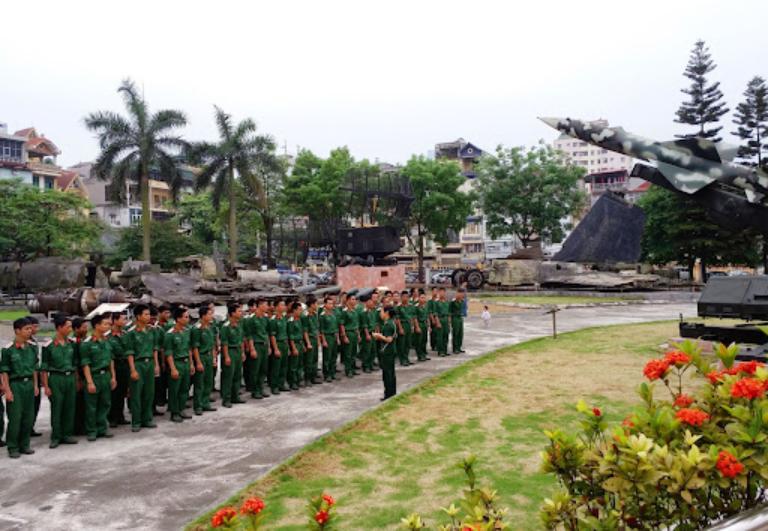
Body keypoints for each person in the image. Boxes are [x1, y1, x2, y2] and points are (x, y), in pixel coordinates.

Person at [1, 318, 39, 457]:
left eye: (30, 329)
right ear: (17, 330)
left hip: (29, 384)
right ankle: (13, 447)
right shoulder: (8, 350)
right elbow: (4, 371)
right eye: (27, 329)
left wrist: (35, 385)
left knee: (28, 417)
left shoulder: (32, 347)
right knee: (15, 418)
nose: (30, 331)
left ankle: (25, 445)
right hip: (15, 385)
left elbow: (35, 368)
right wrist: (7, 390)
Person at [40, 315, 79, 449]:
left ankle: (67, 435)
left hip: (70, 378)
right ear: (59, 328)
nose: (70, 329)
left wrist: (77, 380)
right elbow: (44, 367)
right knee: (57, 408)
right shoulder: (48, 345)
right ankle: (56, 436)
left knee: (70, 407)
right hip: (56, 378)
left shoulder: (72, 344)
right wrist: (46, 386)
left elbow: (75, 364)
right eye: (68, 326)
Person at [79, 313, 117, 441]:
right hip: (94, 376)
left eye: (109, 324)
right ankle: (92, 430)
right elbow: (85, 364)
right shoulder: (87, 343)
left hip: (105, 375)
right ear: (97, 325)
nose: (108, 326)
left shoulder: (106, 341)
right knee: (91, 406)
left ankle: (102, 428)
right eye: (105, 324)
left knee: (105, 403)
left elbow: (111, 360)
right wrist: (89, 382)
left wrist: (113, 377)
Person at [125, 304, 159, 432]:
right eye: (145, 314)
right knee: (136, 394)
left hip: (149, 363)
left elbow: (155, 349)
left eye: (149, 314)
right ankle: (136, 421)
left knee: (149, 393)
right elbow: (130, 353)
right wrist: (133, 369)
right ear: (138, 316)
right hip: (138, 364)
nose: (148, 317)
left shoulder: (152, 330)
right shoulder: (131, 333)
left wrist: (156, 365)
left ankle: (147, 418)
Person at [164, 307, 194, 423]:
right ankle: (174, 412)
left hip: (186, 362)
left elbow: (189, 349)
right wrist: (173, 368)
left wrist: (191, 364)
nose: (188, 319)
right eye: (185, 317)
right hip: (176, 363)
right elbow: (169, 353)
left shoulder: (187, 331)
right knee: (174, 389)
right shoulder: (170, 334)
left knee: (184, 388)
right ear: (178, 319)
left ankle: (181, 409)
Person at [191, 304, 218, 414]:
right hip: (201, 356)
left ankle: (205, 402)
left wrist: (214, 358)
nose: (212, 316)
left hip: (209, 356)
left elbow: (212, 345)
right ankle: (198, 406)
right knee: (199, 383)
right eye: (209, 314)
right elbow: (195, 347)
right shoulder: (196, 329)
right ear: (203, 316)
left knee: (208, 381)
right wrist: (198, 362)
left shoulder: (210, 327)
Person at [219, 302, 246, 407]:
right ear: (232, 313)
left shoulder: (238, 325)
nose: (241, 313)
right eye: (239, 311)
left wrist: (243, 352)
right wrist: (226, 356)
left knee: (237, 375)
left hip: (238, 351)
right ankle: (226, 399)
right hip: (229, 351)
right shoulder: (226, 326)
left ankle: (235, 396)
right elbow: (224, 343)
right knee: (228, 376)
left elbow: (241, 340)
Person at [108, 312, 131, 428]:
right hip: (114, 365)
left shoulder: (125, 334)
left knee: (122, 391)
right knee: (114, 393)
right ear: (115, 321)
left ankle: (120, 416)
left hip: (124, 365)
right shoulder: (108, 336)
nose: (125, 321)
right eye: (122, 319)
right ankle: (112, 418)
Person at [244, 299, 269, 399]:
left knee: (263, 369)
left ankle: (261, 388)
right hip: (256, 345)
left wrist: (269, 346)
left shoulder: (265, 318)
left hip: (264, 345)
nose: (267, 307)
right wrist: (252, 349)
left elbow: (266, 333)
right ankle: (254, 390)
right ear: (260, 305)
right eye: (266, 305)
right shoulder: (251, 319)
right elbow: (249, 335)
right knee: (255, 369)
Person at [372, 307, 397, 401]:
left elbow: (388, 339)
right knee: (390, 373)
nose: (380, 314)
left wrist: (378, 336)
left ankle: (389, 394)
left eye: (381, 312)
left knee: (387, 374)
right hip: (390, 351)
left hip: (387, 352)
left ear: (386, 313)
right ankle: (392, 393)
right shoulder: (390, 323)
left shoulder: (388, 324)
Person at [72, 317, 89, 435]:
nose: (86, 329)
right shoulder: (73, 343)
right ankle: (76, 427)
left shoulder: (85, 341)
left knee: (84, 402)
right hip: (77, 375)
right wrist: (77, 378)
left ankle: (83, 425)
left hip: (85, 375)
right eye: (83, 327)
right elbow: (75, 362)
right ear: (76, 329)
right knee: (77, 403)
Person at [268, 299, 290, 394]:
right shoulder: (273, 320)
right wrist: (275, 349)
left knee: (284, 366)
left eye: (284, 305)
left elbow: (286, 333)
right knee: (276, 367)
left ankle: (281, 384)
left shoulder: (284, 318)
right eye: (282, 305)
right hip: (278, 344)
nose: (284, 307)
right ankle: (274, 386)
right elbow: (272, 336)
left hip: (284, 343)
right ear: (276, 307)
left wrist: (288, 346)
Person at [27, 316, 43, 438]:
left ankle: (30, 427)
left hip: (35, 374)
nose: (37, 328)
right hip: (26, 376)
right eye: (35, 326)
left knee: (35, 404)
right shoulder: (23, 343)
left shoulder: (33, 340)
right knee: (27, 406)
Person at [338, 294, 360, 378]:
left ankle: (352, 369)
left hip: (354, 333)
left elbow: (356, 324)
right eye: (352, 299)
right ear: (347, 301)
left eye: (355, 299)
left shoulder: (354, 311)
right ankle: (348, 370)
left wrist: (358, 335)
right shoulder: (344, 312)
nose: (354, 301)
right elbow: (342, 324)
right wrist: (344, 336)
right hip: (348, 333)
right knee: (348, 353)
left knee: (354, 352)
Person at [319, 296, 339, 382]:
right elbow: (321, 330)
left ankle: (332, 372)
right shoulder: (322, 316)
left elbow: (336, 327)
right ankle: (326, 374)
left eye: (332, 303)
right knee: (327, 357)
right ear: (325, 304)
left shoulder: (333, 314)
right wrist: (323, 340)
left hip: (334, 336)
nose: (331, 305)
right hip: (327, 337)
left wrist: (337, 338)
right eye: (329, 303)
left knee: (334, 356)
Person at [301, 296, 321, 385]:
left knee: (314, 359)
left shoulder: (314, 314)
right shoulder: (305, 316)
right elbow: (305, 331)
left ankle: (313, 377)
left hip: (314, 339)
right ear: (311, 305)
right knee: (308, 360)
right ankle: (307, 379)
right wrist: (308, 343)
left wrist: (318, 340)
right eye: (316, 303)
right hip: (308, 339)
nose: (317, 305)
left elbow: (316, 329)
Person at [286, 302, 305, 391]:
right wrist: (293, 348)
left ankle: (298, 380)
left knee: (300, 364)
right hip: (295, 344)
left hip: (300, 343)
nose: (301, 311)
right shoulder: (291, 321)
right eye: (299, 310)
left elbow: (301, 333)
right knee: (293, 365)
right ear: (294, 310)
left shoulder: (299, 320)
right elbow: (291, 336)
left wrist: (303, 344)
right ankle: (292, 382)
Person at [414, 291, 431, 362]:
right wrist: (417, 327)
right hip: (419, 324)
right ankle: (419, 356)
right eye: (421, 298)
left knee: (424, 340)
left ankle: (423, 355)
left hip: (424, 324)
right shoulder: (416, 307)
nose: (423, 299)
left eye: (424, 298)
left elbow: (427, 317)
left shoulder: (425, 306)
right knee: (419, 341)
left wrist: (429, 326)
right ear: (418, 298)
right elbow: (414, 318)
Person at [449, 288, 466, 354]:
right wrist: (450, 321)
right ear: (457, 293)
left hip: (460, 318)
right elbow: (449, 311)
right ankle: (455, 348)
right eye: (461, 293)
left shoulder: (462, 301)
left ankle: (459, 347)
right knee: (455, 333)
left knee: (460, 333)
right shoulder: (453, 301)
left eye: (463, 293)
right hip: (455, 318)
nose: (462, 295)